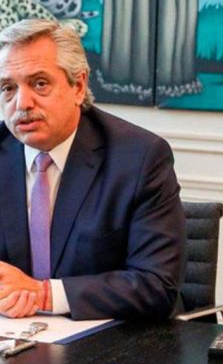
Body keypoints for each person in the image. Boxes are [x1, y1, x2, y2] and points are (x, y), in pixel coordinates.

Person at [0, 19, 186, 321]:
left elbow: (156, 285)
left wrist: (43, 294)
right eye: (8, 88)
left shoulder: (139, 158)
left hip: (113, 339)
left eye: (40, 84)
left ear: (78, 86)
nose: (22, 103)